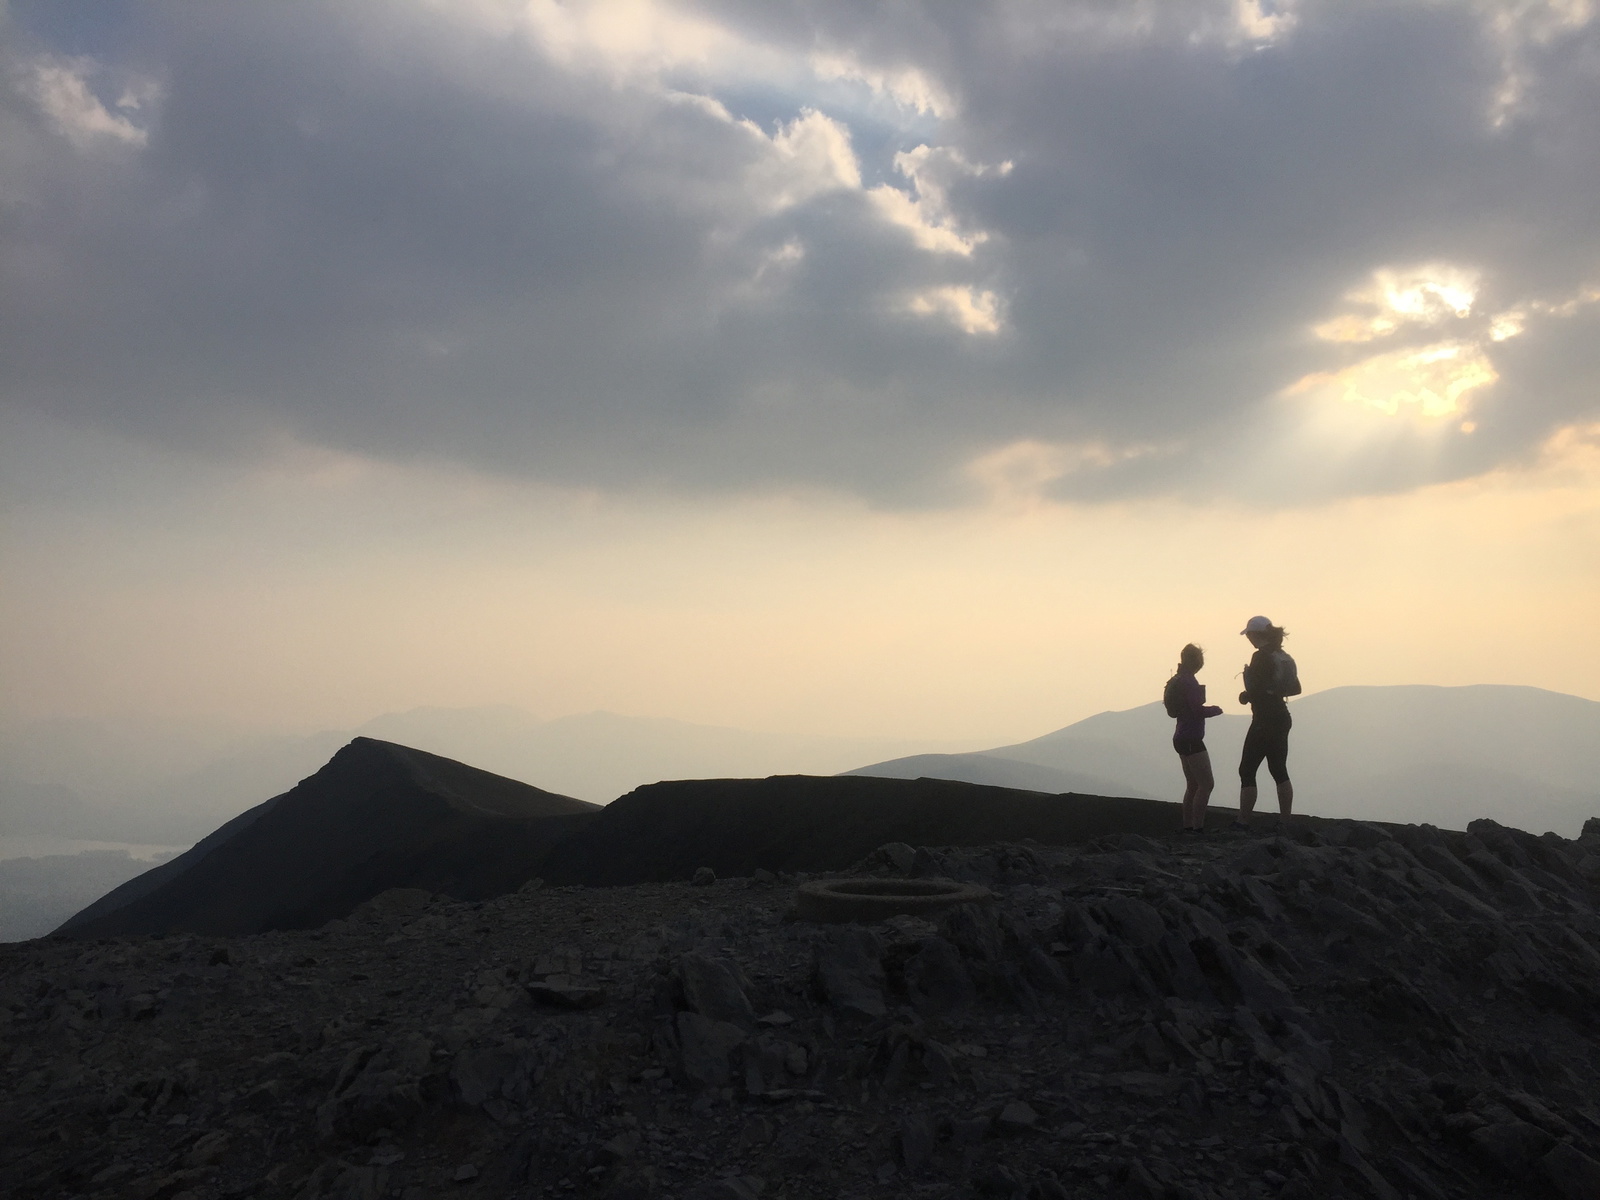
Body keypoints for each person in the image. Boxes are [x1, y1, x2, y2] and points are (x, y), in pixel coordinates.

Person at [1236, 615, 1296, 828]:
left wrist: (1247, 696)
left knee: (1247, 769)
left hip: (1264, 719)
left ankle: (1243, 820)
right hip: (1282, 716)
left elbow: (1258, 689)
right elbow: (1296, 688)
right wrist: (1274, 691)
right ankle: (1285, 820)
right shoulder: (1283, 656)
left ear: (1255, 635)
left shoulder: (1260, 657)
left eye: (1249, 635)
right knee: (1278, 768)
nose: (1248, 639)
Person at [1169, 643, 1223, 832]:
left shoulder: (1177, 679)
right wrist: (1215, 710)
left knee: (1192, 784)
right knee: (1206, 784)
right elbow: (1196, 710)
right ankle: (1198, 827)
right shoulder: (1189, 682)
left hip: (1180, 737)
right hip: (1192, 738)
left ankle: (1188, 826)